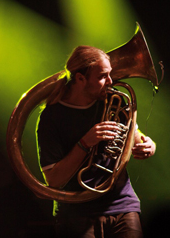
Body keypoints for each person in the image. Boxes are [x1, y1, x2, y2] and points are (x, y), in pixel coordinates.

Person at [36, 45, 156, 238]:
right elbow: (54, 180)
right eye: (102, 76)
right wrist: (85, 143)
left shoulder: (114, 99)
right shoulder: (52, 116)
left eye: (110, 74)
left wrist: (149, 144)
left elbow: (134, 133)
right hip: (76, 213)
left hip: (123, 205)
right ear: (80, 78)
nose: (111, 81)